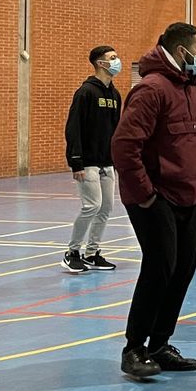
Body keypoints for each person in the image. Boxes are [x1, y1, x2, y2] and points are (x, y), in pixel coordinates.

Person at [112, 21, 196, 379]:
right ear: (182, 50)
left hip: (187, 197)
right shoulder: (152, 89)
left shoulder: (192, 91)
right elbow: (124, 147)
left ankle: (160, 344)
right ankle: (134, 348)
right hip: (155, 199)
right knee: (159, 268)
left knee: (182, 269)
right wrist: (147, 196)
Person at [62, 45, 123, 275]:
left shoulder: (115, 94)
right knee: (92, 205)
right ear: (100, 63)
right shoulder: (86, 92)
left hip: (107, 161)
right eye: (112, 58)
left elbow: (117, 129)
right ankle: (72, 252)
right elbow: (73, 127)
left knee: (106, 207)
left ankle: (92, 252)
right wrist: (75, 160)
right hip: (87, 161)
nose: (117, 61)